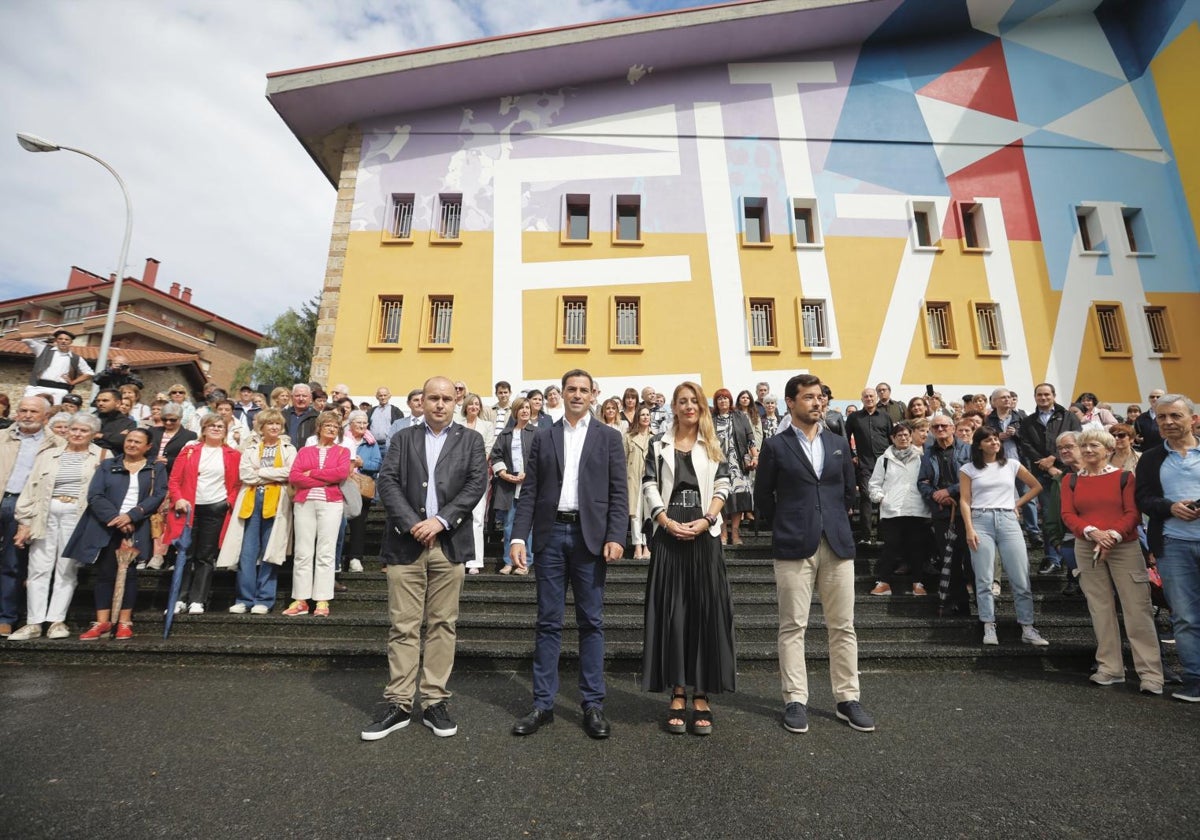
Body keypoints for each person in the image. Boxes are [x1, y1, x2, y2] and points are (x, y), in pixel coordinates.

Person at [360, 376, 486, 741]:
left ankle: (433, 701)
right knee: (403, 625)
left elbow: (476, 484)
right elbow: (387, 482)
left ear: (456, 402)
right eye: (433, 397)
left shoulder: (472, 440)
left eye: (447, 398)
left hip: (448, 544)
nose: (440, 404)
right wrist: (414, 523)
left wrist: (440, 520)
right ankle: (399, 703)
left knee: (443, 623)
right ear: (422, 401)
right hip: (405, 543)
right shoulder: (403, 437)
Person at [509, 369, 628, 740]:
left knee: (591, 622)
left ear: (594, 394)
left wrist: (616, 535)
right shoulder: (544, 437)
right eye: (570, 389)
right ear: (559, 394)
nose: (577, 395)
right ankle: (542, 704)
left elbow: (618, 493)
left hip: (589, 538)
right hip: (550, 536)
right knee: (548, 622)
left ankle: (593, 704)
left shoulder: (608, 437)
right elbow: (529, 492)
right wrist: (517, 538)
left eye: (583, 390)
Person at [756, 373, 875, 733]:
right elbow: (764, 498)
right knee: (793, 625)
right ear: (791, 402)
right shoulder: (775, 446)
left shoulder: (838, 443)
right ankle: (795, 700)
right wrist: (789, 525)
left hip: (837, 544)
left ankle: (847, 699)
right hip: (794, 545)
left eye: (820, 397)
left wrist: (834, 522)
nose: (817, 402)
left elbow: (850, 494)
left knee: (843, 626)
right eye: (808, 397)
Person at [641, 381, 735, 734]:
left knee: (704, 612)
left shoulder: (714, 444)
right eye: (682, 401)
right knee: (674, 614)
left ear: (702, 407)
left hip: (704, 533)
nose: (688, 406)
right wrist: (663, 520)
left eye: (694, 401)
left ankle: (701, 693)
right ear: (675, 408)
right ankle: (678, 691)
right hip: (669, 533)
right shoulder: (658, 444)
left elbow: (724, 486)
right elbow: (649, 485)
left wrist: (708, 519)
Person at [1062, 428, 1163, 694]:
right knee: (1100, 609)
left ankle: (1151, 674)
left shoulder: (1125, 477)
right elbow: (1068, 514)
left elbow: (1132, 513)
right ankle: (1110, 668)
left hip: (1125, 547)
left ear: (1108, 449)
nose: (1087, 450)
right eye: (1083, 446)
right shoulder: (1070, 480)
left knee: (1137, 609)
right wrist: (1092, 532)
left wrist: (1112, 536)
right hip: (1086, 547)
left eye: (1094, 445)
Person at [64, 428, 167, 640]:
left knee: (129, 575)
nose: (132, 445)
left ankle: (124, 621)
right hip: (107, 524)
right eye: (129, 440)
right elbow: (95, 495)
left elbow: (158, 495)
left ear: (148, 447)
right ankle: (102, 622)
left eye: (138, 442)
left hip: (136, 526)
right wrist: (116, 518)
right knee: (105, 573)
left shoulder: (155, 468)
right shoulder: (108, 465)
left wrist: (132, 516)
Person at [7, 414, 104, 639]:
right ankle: (34, 622)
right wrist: (24, 520)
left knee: (66, 569)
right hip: (45, 513)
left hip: (77, 516)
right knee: (38, 568)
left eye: (84, 431)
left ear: (93, 434)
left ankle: (56, 621)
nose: (77, 434)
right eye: (74, 429)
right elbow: (31, 487)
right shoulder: (48, 455)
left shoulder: (102, 455)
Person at [1135, 393, 1200, 702]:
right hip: (1173, 545)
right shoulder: (1150, 458)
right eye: (1161, 417)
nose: (1168, 422)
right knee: (1185, 616)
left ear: (1193, 419)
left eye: (1175, 416)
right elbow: (1143, 499)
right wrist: (1171, 507)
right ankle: (1195, 680)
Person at [959, 427, 1048, 647]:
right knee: (984, 577)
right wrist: (969, 528)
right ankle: (988, 625)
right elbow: (965, 499)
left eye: (996, 439)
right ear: (979, 444)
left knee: (1020, 576)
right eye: (988, 440)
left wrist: (1016, 504)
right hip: (980, 520)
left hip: (1008, 519)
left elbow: (1036, 486)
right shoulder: (968, 469)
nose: (994, 443)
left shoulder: (1012, 464)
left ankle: (1027, 627)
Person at [214, 409, 296, 614]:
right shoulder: (251, 448)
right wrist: (272, 475)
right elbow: (245, 475)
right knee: (247, 552)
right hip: (252, 501)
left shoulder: (288, 448)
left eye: (278, 424)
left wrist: (261, 472)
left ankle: (265, 599)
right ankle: (244, 598)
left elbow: (290, 472)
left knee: (271, 550)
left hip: (276, 502)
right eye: (270, 424)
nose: (275, 427)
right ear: (262, 427)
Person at [164, 414, 242, 614]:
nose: (216, 429)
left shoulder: (232, 454)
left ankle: (198, 599)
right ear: (204, 429)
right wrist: (178, 498)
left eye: (220, 426)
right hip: (188, 508)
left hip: (215, 508)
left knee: (205, 556)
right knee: (185, 554)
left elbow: (236, 484)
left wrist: (227, 503)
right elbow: (174, 479)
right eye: (212, 426)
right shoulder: (189, 451)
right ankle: (179, 598)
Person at [1, 396, 62, 637]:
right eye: (23, 410)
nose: (27, 415)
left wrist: (29, 519)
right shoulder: (2, 437)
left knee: (12, 564)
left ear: (45, 416)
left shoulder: (57, 444)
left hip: (24, 506)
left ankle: (6, 617)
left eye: (33, 412)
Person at [285, 411, 352, 618]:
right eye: (328, 425)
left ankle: (322, 599)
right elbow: (295, 477)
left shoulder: (342, 452)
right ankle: (301, 599)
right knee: (303, 552)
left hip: (331, 503)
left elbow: (340, 474)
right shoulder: (305, 451)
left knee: (326, 551)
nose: (332, 429)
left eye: (336, 426)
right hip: (305, 504)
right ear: (320, 428)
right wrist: (324, 479)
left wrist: (311, 474)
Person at [868, 423, 931, 597]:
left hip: (917, 509)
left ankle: (918, 583)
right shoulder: (884, 460)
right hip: (892, 511)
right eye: (899, 436)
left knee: (917, 548)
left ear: (911, 437)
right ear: (892, 439)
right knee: (891, 546)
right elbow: (874, 484)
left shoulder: (922, 457)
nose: (903, 438)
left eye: (906, 435)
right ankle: (883, 583)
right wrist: (881, 498)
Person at [918, 413, 972, 614]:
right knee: (950, 559)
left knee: (970, 559)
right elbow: (922, 482)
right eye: (936, 427)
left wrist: (950, 491)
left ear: (952, 427)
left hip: (967, 511)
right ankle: (960, 603)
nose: (940, 430)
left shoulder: (968, 450)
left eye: (943, 426)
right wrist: (936, 495)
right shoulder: (928, 453)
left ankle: (983, 605)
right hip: (942, 513)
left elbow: (975, 477)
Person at [491, 397, 535, 574]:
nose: (525, 411)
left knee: (528, 526)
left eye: (527, 408)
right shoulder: (505, 434)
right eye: (521, 408)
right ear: (515, 412)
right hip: (509, 486)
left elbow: (542, 458)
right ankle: (509, 561)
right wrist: (503, 474)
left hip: (529, 486)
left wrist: (529, 474)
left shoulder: (537, 433)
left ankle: (524, 562)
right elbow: (496, 455)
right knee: (509, 525)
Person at [846, 387, 892, 544]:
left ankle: (883, 536)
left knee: (883, 498)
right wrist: (852, 456)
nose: (869, 398)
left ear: (876, 398)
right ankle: (865, 536)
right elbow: (845, 438)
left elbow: (892, 439)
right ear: (862, 399)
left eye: (871, 396)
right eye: (865, 396)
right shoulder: (854, 418)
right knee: (866, 496)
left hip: (885, 463)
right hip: (864, 464)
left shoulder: (885, 417)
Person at [711, 388, 755, 545]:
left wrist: (754, 456)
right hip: (717, 464)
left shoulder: (740, 416)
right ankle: (723, 532)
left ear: (730, 401)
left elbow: (750, 438)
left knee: (737, 498)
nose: (723, 401)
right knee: (720, 498)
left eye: (726, 398)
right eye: (719, 398)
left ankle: (735, 533)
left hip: (737, 464)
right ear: (716, 402)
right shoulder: (711, 418)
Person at [459, 393, 495, 575]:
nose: (474, 406)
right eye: (471, 404)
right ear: (465, 406)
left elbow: (488, 449)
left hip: (478, 475)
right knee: (458, 517)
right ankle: (459, 557)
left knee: (478, 518)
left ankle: (475, 560)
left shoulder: (487, 426)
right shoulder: (457, 425)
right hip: (457, 477)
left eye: (477, 404)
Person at [22, 329, 94, 404]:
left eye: (66, 339)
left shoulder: (76, 358)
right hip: (38, 388)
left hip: (60, 391)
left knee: (55, 414)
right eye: (60, 339)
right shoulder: (43, 349)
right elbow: (24, 336)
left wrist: (73, 382)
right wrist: (49, 332)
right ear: (56, 340)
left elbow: (89, 373)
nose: (63, 341)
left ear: (71, 342)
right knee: (29, 409)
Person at [625, 406, 653, 561]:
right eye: (642, 414)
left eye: (648, 414)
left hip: (650, 479)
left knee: (649, 513)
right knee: (635, 514)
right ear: (637, 417)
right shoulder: (628, 436)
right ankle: (637, 545)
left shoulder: (656, 437)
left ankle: (648, 545)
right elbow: (623, 459)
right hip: (633, 479)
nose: (645, 417)